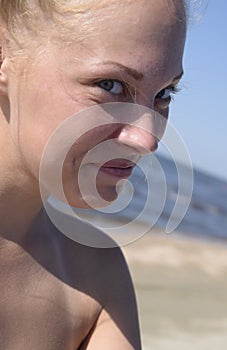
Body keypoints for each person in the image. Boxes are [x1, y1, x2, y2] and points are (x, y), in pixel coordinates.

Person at [0, 0, 187, 349]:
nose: (147, 138)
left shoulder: (98, 279)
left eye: (164, 93)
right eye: (109, 84)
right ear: (3, 53)